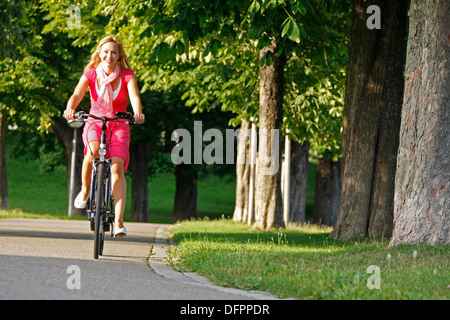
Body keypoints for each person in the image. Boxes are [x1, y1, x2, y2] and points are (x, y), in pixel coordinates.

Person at [64, 36, 145, 237]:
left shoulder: (127, 76)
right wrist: (70, 108)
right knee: (91, 154)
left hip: (119, 124)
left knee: (117, 166)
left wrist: (138, 113)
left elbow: (134, 97)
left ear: (119, 56)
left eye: (114, 52)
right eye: (106, 52)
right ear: (99, 54)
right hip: (94, 120)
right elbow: (77, 94)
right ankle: (84, 190)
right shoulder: (90, 75)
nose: (109, 56)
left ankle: (118, 222)